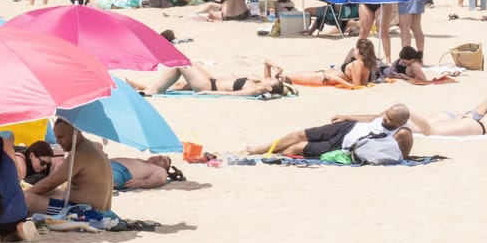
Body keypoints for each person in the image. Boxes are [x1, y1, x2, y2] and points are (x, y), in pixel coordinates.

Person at [248, 104, 413, 158]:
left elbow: (401, 156)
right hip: (347, 128)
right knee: (298, 134)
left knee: (299, 147)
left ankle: (272, 155)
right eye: (386, 115)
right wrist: (345, 117)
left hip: (344, 144)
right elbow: (371, 117)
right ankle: (259, 149)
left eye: (390, 119)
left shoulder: (403, 132)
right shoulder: (385, 116)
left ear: (400, 122)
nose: (385, 119)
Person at [26, 119, 113, 215]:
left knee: (28, 200)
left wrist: (21, 196)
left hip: (84, 213)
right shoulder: (90, 147)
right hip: (98, 210)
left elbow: (48, 184)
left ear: (75, 132)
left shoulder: (80, 154)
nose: (58, 142)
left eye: (61, 137)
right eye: (56, 137)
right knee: (55, 193)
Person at [410, 82, 487, 136]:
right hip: (477, 128)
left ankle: (404, 123)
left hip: (472, 123)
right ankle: (407, 111)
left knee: (427, 129)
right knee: (430, 131)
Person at [128, 61, 292, 97]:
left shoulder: (255, 89)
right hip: (212, 80)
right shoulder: (262, 83)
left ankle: (154, 90)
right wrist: (276, 66)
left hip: (209, 86)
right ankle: (144, 86)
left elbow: (231, 95)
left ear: (269, 88)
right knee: (181, 83)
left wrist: (207, 92)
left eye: (272, 80)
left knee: (181, 63)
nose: (269, 78)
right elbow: (265, 62)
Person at [277, 38, 378, 88]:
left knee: (287, 78)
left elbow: (356, 86)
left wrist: (337, 79)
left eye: (356, 48)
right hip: (326, 75)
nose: (354, 50)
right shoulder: (367, 64)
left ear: (359, 50)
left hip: (326, 78)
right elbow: (364, 84)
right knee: (290, 77)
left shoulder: (357, 64)